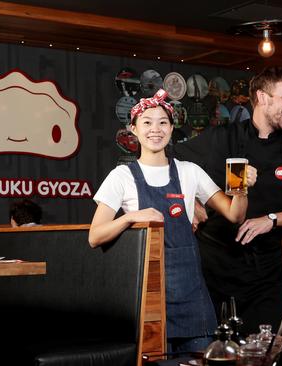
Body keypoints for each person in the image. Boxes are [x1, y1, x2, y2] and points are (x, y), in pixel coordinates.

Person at [89, 89, 257, 353]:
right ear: (133, 129)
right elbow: (95, 236)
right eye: (147, 122)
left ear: (172, 127)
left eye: (163, 122)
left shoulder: (190, 171)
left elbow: (235, 214)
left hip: (192, 298)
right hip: (147, 297)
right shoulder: (121, 176)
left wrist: (242, 187)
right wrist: (132, 217)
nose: (155, 129)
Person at [173, 66, 282, 335]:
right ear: (262, 97)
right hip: (214, 267)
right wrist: (189, 201)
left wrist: (271, 220)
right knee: (216, 352)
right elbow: (169, 159)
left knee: (263, 349)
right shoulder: (222, 138)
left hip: (265, 270)